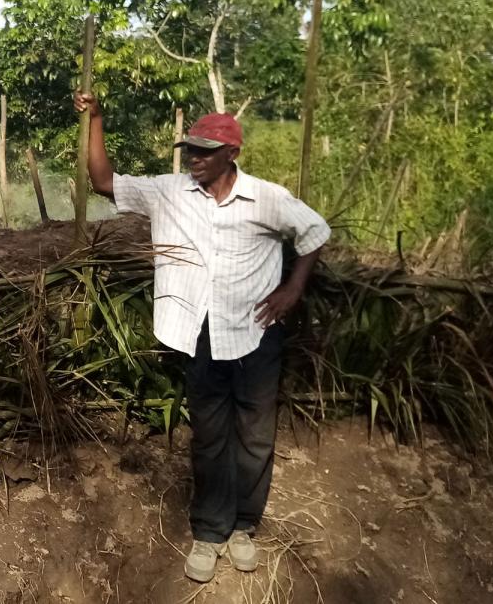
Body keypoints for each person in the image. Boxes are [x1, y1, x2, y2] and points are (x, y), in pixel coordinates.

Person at [73, 94, 330, 583]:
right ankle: (211, 532)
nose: (193, 157)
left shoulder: (267, 198)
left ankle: (245, 528)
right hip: (201, 335)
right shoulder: (168, 191)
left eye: (205, 150)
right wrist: (99, 118)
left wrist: (292, 288)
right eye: (190, 148)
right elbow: (103, 181)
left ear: (231, 154)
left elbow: (315, 231)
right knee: (211, 438)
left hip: (257, 333)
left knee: (254, 438)